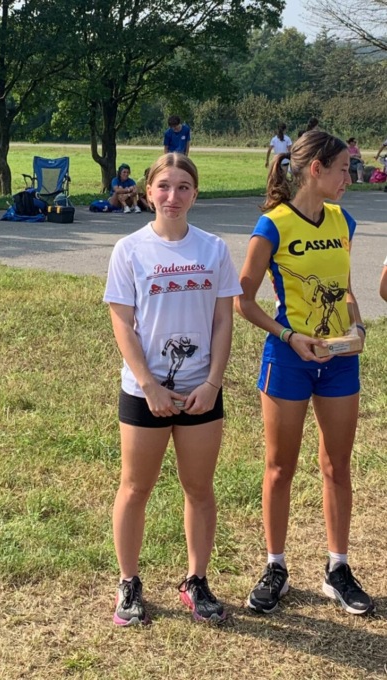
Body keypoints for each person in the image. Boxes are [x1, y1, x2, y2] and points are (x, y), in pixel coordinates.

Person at [235, 130, 374, 617]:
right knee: (280, 467)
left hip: (340, 360)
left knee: (337, 465)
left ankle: (338, 568)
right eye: (344, 169)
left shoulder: (343, 220)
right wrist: (290, 336)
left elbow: (346, 288)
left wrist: (356, 325)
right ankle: (275, 567)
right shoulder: (272, 225)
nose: (350, 178)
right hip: (289, 358)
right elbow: (243, 300)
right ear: (316, 169)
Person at [103, 152, 242, 626]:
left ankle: (196, 580)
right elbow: (122, 323)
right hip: (145, 392)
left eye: (183, 187)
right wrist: (149, 385)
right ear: (148, 192)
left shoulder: (214, 249)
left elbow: (222, 321)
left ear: (195, 194)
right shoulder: (130, 250)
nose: (173, 196)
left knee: (199, 488)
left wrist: (212, 382)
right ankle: (128, 582)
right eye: (164, 186)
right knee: (135, 487)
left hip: (200, 390)